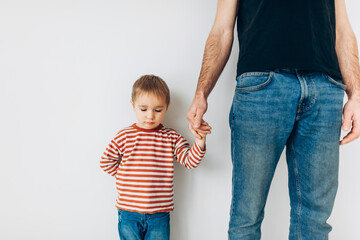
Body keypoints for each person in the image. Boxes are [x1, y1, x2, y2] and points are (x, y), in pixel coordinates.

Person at [187, 0, 360, 239]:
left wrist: (356, 95)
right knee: (246, 217)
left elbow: (342, 30)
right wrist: (201, 94)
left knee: (315, 220)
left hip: (325, 87)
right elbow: (222, 29)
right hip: (262, 85)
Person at [100, 75, 211, 240]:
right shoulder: (124, 136)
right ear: (133, 105)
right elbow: (106, 162)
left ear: (167, 107)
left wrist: (200, 141)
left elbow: (190, 161)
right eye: (143, 109)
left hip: (159, 214)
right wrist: (127, 175)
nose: (150, 116)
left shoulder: (171, 137)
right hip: (128, 212)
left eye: (157, 110)